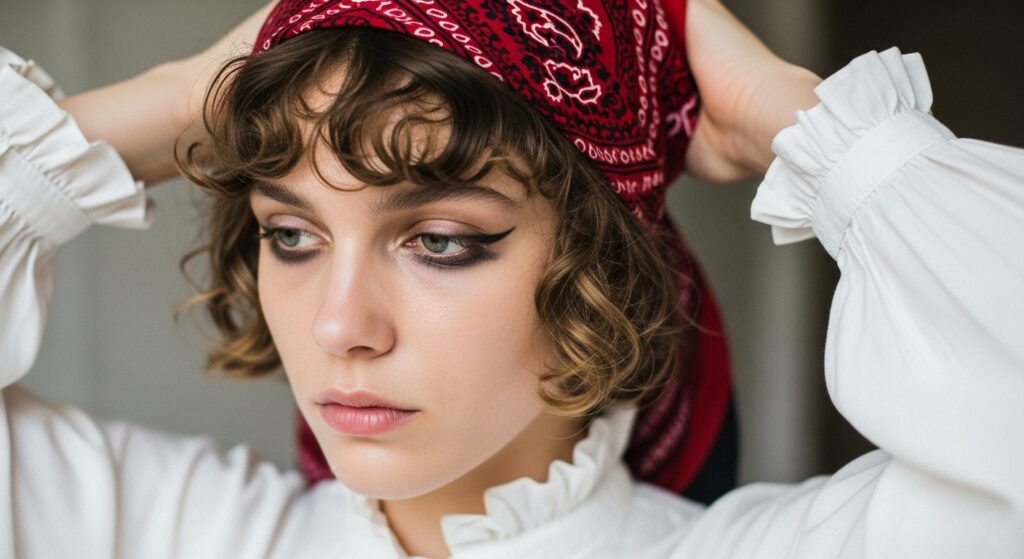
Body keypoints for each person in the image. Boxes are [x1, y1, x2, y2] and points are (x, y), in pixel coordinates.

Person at [1, 2, 1021, 558]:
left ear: (600, 264)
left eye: (441, 241)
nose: (340, 326)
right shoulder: (156, 528)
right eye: (294, 235)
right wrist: (187, 94)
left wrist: (804, 123)